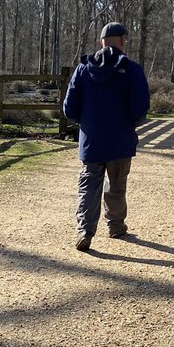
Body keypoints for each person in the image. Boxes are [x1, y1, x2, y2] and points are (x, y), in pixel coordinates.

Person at [62, 22, 150, 252]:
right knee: (117, 185)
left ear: (101, 41)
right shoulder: (131, 70)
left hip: (91, 141)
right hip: (120, 140)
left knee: (88, 185)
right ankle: (116, 225)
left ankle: (85, 231)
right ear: (122, 40)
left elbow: (69, 108)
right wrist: (129, 123)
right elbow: (140, 108)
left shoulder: (83, 69)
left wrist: (87, 124)